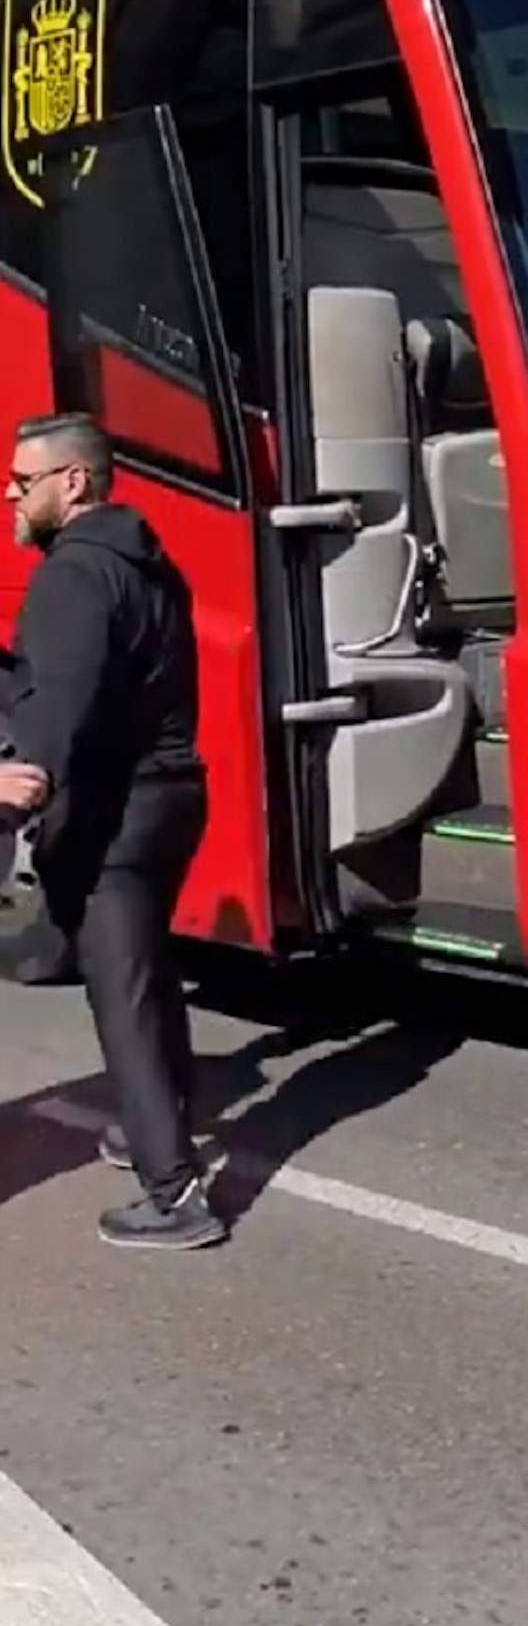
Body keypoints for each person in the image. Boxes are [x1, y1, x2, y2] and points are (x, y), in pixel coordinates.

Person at [0, 414, 222, 1248]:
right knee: (151, 975)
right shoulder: (151, 564)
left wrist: (16, 795)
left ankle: (175, 1195)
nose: (10, 495)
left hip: (112, 810)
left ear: (74, 483)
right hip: (174, 798)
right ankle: (150, 1129)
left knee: (121, 997)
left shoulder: (71, 576)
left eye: (24, 482)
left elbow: (61, 698)